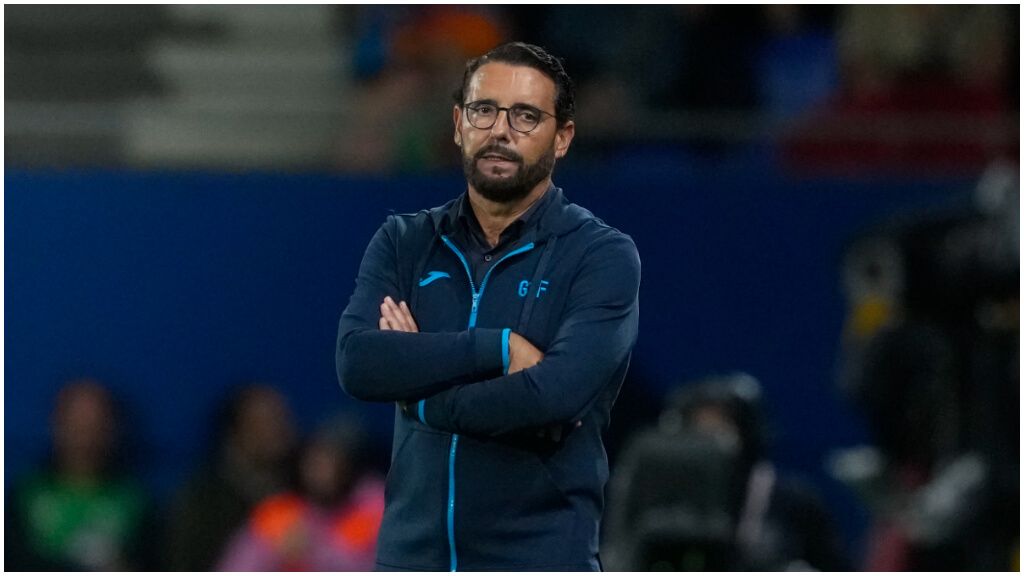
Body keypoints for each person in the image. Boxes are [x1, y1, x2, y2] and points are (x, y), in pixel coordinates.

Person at [335, 42, 641, 571]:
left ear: (562, 137)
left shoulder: (599, 254)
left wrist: (421, 397)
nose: (500, 131)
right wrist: (494, 348)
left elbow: (554, 397)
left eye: (525, 116)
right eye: (484, 110)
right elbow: (359, 363)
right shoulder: (405, 241)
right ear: (458, 123)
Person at [6, 379, 154, 571]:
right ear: (56, 424)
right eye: (76, 422)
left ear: (112, 428)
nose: (86, 433)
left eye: (95, 422)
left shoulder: (136, 500)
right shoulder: (23, 495)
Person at [217, 416, 385, 571]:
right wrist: (278, 553)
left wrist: (312, 551)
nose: (324, 472)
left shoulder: (375, 504)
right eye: (316, 463)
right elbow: (237, 566)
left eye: (333, 461)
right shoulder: (282, 512)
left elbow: (382, 565)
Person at [163, 383, 297, 571]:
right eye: (266, 421)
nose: (281, 430)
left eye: (283, 419)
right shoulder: (202, 501)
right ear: (235, 431)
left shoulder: (304, 491)